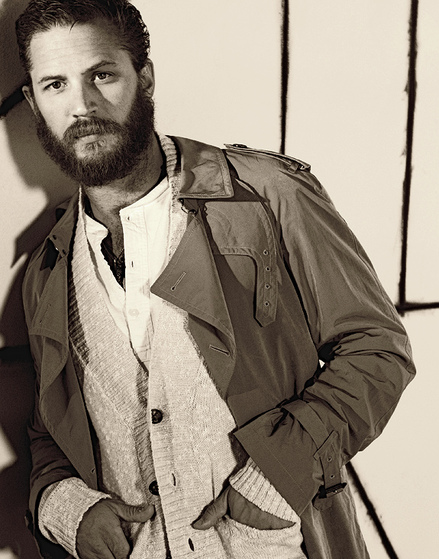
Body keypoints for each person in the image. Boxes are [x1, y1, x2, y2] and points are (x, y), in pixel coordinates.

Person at [15, 1, 416, 557]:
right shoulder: (45, 271)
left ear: (144, 77)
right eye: (55, 84)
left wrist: (277, 475)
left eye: (102, 74)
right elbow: (49, 433)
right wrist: (66, 508)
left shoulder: (267, 195)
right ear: (33, 102)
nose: (81, 105)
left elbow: (377, 350)